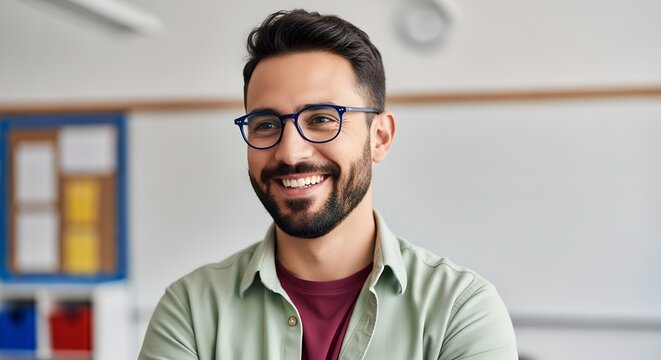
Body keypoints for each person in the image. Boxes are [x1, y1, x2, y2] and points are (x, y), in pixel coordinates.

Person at [139, 9, 517, 360]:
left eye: (321, 118)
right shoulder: (191, 309)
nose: (289, 153)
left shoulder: (460, 310)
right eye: (266, 124)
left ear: (380, 138)